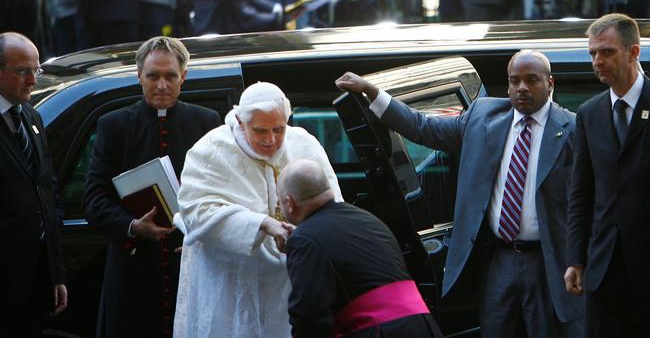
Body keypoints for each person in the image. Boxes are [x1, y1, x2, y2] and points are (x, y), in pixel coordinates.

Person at [336, 50, 584, 337]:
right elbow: (423, 127)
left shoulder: (574, 129)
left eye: (532, 80)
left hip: (549, 261)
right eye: (514, 81)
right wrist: (371, 91)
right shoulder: (483, 116)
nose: (522, 88)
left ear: (550, 83)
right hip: (499, 260)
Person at [173, 81, 343, 337]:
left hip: (288, 283)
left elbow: (332, 205)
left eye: (279, 129)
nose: (272, 140)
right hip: (232, 283)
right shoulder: (210, 150)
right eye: (261, 131)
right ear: (241, 123)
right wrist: (261, 224)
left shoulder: (304, 145)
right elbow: (196, 211)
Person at [83, 36, 220, 338]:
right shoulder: (114, 125)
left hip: (191, 265)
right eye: (153, 76)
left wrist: (205, 237)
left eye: (170, 76)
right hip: (134, 270)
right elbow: (94, 199)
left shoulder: (206, 123)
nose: (161, 85)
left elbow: (221, 194)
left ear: (183, 76)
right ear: (139, 77)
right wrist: (133, 226)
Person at [279, 159, 444, 338]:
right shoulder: (368, 219)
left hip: (379, 331)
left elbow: (309, 316)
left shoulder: (304, 239)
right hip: (423, 326)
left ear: (289, 203)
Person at [565, 13, 650, 337]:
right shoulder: (589, 113)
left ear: (633, 52)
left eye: (607, 52)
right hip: (603, 268)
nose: (597, 61)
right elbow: (581, 192)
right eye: (593, 53)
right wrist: (576, 258)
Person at [0, 32, 67, 337]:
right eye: (23, 71)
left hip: (35, 281)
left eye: (36, 70)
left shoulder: (31, 116)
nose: (32, 80)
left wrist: (56, 274)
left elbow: (48, 192)